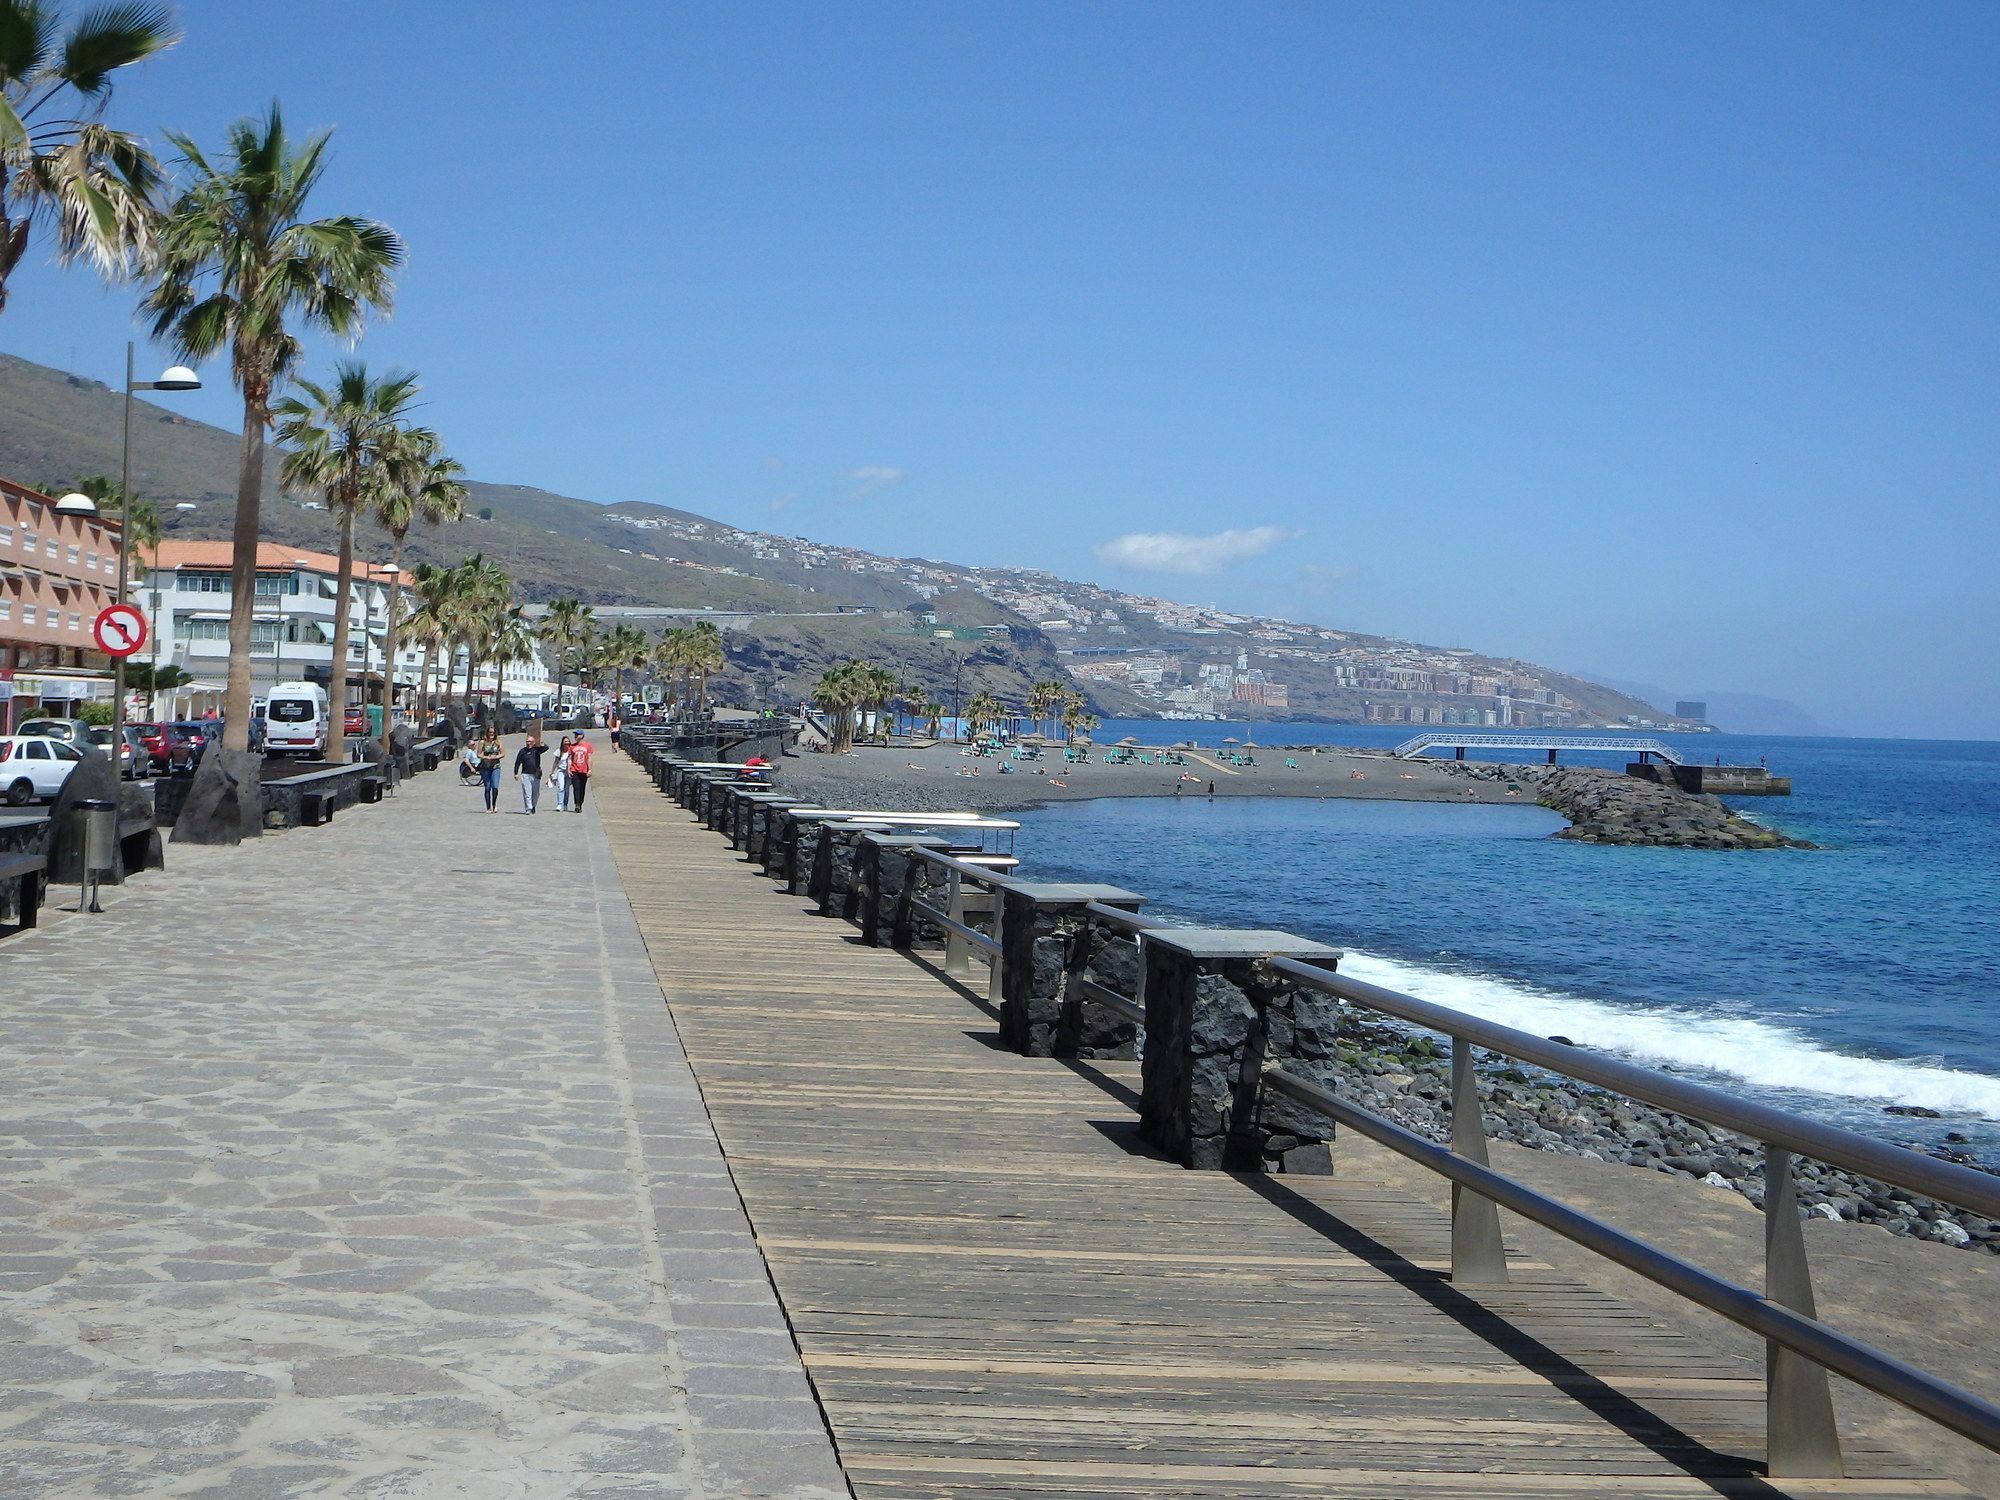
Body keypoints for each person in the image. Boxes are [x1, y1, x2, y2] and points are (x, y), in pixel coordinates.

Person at [515, 733, 547, 814]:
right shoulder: (522, 751)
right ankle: (528, 808)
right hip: (525, 774)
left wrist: (542, 744)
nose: (528, 743)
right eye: (527, 741)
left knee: (535, 793)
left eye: (530, 741)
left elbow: (546, 748)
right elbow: (517, 762)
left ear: (534, 742)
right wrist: (515, 772)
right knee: (527, 792)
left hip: (536, 774)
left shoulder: (537, 750)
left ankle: (533, 806)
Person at [475, 729, 504, 813]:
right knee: (487, 787)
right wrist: (486, 757)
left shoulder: (498, 742)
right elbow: (479, 754)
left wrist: (496, 757)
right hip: (485, 767)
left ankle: (494, 805)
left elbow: (503, 754)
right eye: (490, 732)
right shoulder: (482, 742)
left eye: (493, 732)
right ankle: (488, 807)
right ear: (487, 733)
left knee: (495, 786)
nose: (492, 734)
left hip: (495, 766)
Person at [567, 732, 594, 812]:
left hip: (584, 769)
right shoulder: (572, 746)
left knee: (582, 788)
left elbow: (589, 758)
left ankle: (580, 803)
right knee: (576, 787)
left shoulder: (587, 746)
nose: (575, 736)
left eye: (577, 735)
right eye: (575, 735)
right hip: (574, 769)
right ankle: (577, 805)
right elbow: (569, 759)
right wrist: (568, 769)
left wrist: (589, 769)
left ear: (582, 736)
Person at [550, 734, 573, 811]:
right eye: (565, 742)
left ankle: (565, 804)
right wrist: (552, 772)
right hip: (561, 770)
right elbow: (555, 762)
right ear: (562, 743)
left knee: (567, 789)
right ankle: (559, 804)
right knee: (561, 787)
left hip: (569, 771)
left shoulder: (571, 750)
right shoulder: (559, 751)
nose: (566, 743)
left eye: (568, 742)